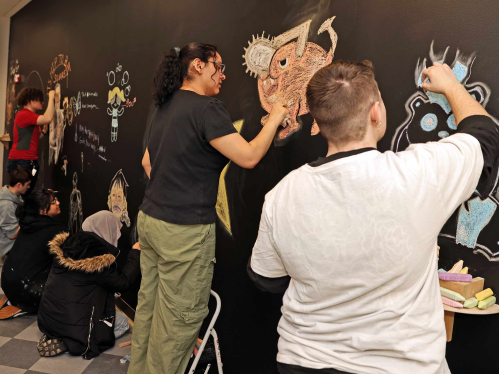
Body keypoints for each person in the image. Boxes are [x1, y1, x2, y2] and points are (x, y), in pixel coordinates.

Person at [248, 61, 499, 374]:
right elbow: (484, 136)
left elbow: (266, 278)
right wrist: (450, 85)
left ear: (320, 121)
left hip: (304, 362)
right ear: (376, 113)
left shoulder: (281, 195)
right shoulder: (418, 175)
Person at [129, 43, 288, 374]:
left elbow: (147, 162)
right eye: (219, 66)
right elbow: (248, 156)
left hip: (151, 221)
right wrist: (274, 118)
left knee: (148, 309)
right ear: (198, 66)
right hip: (183, 233)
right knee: (175, 327)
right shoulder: (207, 109)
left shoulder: (165, 105)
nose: (224, 75)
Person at [37, 211, 141, 359]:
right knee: (123, 322)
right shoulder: (99, 257)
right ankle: (70, 342)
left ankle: (58, 335)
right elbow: (123, 283)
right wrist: (135, 253)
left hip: (49, 317)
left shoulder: (68, 245)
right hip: (77, 326)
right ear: (106, 229)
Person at [0, 189, 65, 319]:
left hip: (6, 282)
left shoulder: (25, 224)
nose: (58, 203)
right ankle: (25, 305)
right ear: (42, 210)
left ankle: (14, 298)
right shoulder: (57, 230)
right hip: (29, 292)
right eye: (53, 202)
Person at [7, 87, 56, 197]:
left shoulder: (29, 117)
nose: (43, 102)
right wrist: (52, 97)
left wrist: (43, 132)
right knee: (22, 194)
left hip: (29, 161)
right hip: (21, 161)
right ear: (30, 100)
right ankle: (14, 213)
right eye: (40, 99)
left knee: (26, 193)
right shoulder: (24, 114)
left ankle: (21, 213)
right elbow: (48, 118)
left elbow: (31, 139)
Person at [0, 167, 30, 259]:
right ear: (19, 185)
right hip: (9, 248)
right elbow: (12, 235)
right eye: (27, 185)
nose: (29, 187)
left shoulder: (15, 196)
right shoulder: (7, 206)